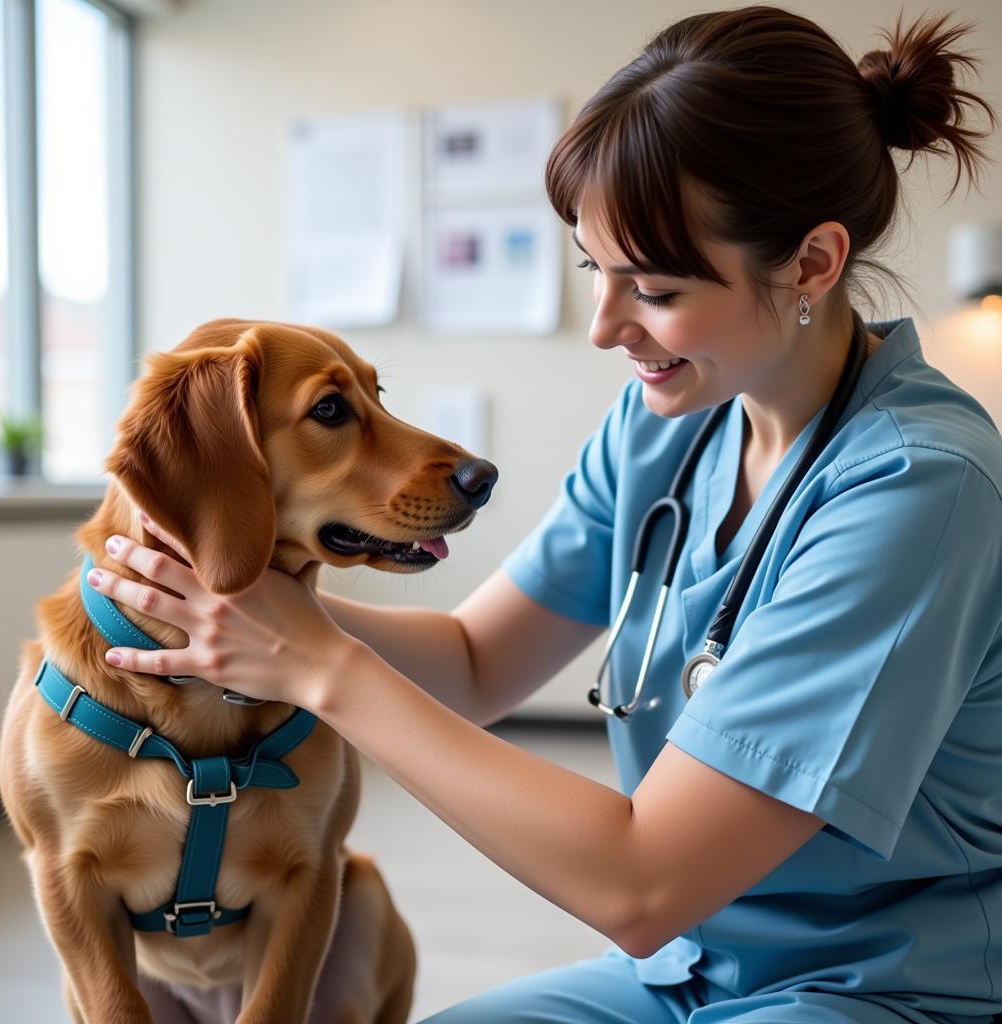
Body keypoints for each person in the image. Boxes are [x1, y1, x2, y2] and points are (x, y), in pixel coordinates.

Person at [87, 5, 1002, 1022]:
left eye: (650, 288)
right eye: (592, 272)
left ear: (812, 264)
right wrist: (239, 620)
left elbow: (641, 883)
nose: (606, 327)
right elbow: (479, 664)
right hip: (689, 973)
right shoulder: (663, 426)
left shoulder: (919, 488)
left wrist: (317, 664)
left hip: (886, 987)